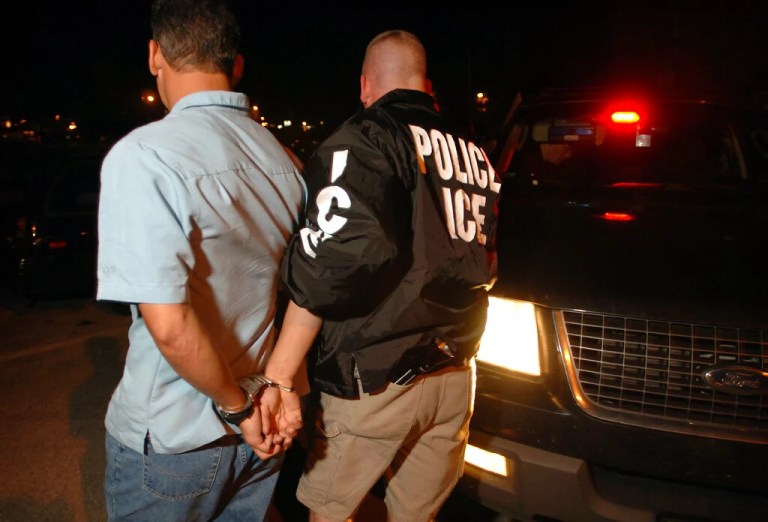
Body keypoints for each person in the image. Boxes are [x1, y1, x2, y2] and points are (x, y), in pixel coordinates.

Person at [259, 29, 501, 522]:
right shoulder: (472, 154)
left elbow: (331, 266)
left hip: (378, 375)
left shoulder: (366, 138)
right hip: (455, 376)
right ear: (426, 86)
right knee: (415, 515)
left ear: (365, 85)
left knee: (331, 513)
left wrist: (279, 375)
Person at [95, 0, 305, 520]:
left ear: (155, 55)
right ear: (236, 64)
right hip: (261, 425)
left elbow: (170, 326)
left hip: (179, 433)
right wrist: (267, 396)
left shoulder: (144, 156)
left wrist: (234, 407)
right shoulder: (285, 160)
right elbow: (308, 290)